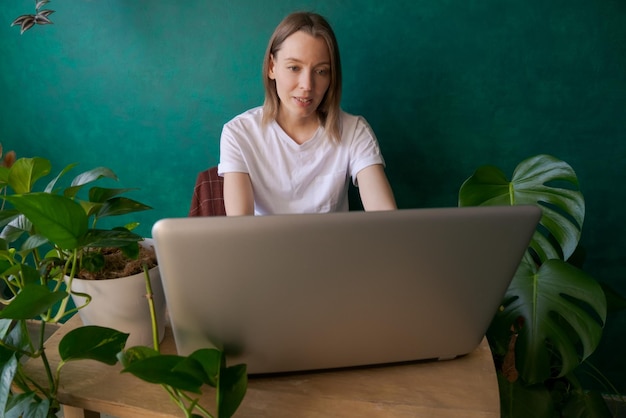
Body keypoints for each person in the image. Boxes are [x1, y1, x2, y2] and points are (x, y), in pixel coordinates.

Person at [218, 11, 397, 216]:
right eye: (294, 68)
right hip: (265, 248)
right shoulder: (239, 133)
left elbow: (386, 218)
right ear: (271, 67)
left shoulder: (354, 130)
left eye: (321, 71)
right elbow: (241, 230)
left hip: (335, 248)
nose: (307, 85)